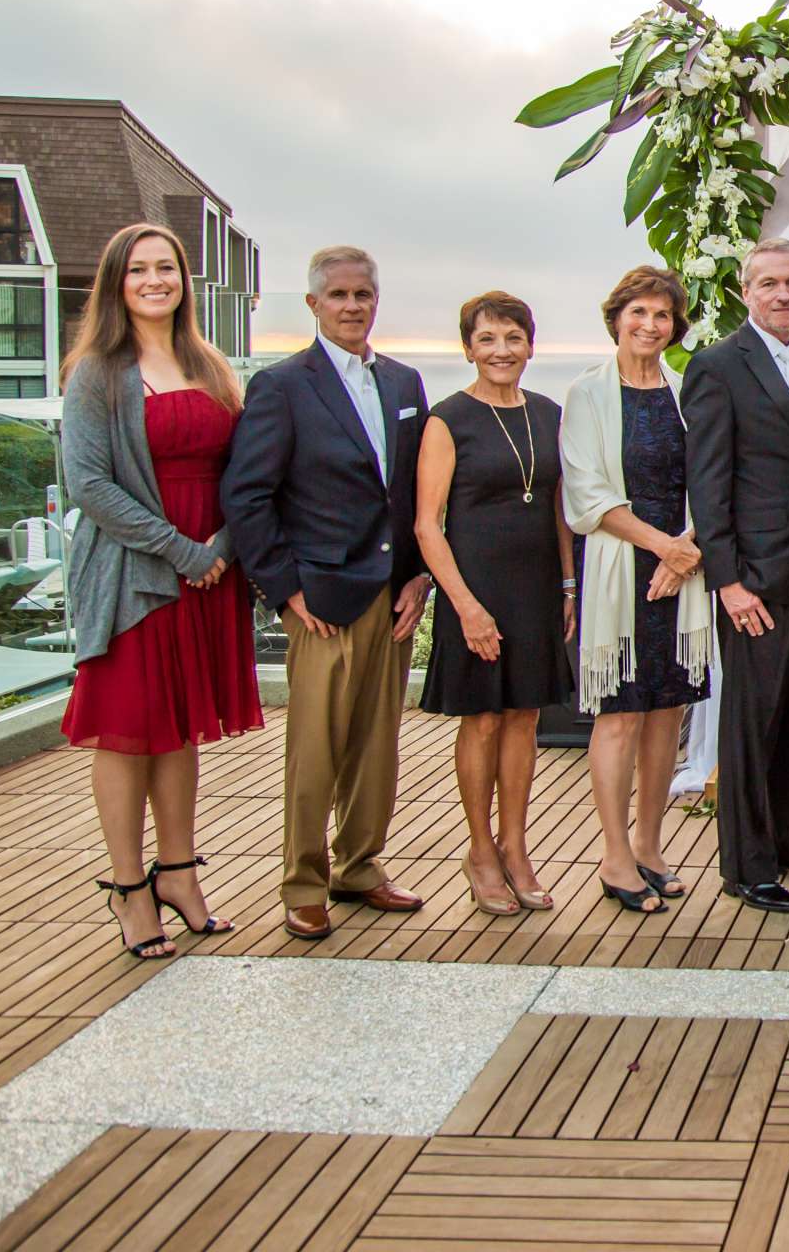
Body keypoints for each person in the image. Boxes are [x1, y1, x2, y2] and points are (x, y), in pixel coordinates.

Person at [59, 223, 261, 959]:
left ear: (184, 280)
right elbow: (87, 484)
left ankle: (179, 873)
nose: (155, 280)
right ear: (117, 284)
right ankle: (127, 889)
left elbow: (242, 472)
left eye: (166, 268)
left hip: (210, 568)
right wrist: (180, 550)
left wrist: (223, 549)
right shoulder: (97, 372)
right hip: (134, 576)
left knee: (180, 730)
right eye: (139, 269)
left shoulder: (207, 363)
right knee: (126, 729)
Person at [222, 246, 434, 941]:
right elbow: (247, 496)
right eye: (338, 295)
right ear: (313, 305)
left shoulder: (405, 384)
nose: (352, 305)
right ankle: (303, 881)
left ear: (377, 301)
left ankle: (361, 866)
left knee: (378, 744)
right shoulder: (282, 386)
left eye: (363, 294)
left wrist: (418, 579)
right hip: (321, 599)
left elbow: (407, 496)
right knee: (314, 750)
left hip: (392, 595)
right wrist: (284, 590)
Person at [680, 238, 789, 914]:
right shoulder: (718, 366)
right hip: (754, 577)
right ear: (746, 291)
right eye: (771, 283)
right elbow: (707, 482)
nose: (784, 294)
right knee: (750, 722)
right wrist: (728, 580)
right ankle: (745, 865)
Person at [562, 267, 713, 915]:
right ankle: (615, 856)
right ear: (617, 317)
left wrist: (688, 552)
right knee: (620, 715)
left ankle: (651, 847)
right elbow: (588, 495)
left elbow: (711, 481)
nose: (651, 325)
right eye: (639, 313)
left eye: (662, 316)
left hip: (681, 573)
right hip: (624, 568)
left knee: (665, 715)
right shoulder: (589, 394)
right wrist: (664, 547)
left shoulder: (687, 395)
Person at [415, 291, 571, 916]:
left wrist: (567, 584)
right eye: (488, 340)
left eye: (513, 338)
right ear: (468, 348)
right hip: (474, 588)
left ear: (530, 344)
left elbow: (559, 506)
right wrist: (465, 607)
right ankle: (479, 849)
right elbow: (428, 525)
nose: (502, 351)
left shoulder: (549, 413)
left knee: (525, 718)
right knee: (482, 718)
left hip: (536, 587)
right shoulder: (447, 420)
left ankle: (516, 845)